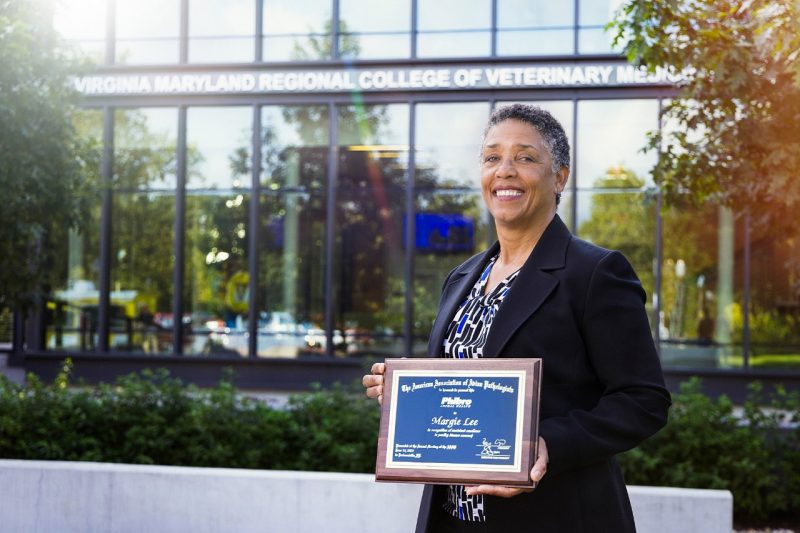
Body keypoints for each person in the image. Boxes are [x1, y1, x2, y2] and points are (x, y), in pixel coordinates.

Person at [363, 104, 671, 532]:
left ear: (559, 177)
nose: (504, 170)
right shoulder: (462, 277)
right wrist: (406, 396)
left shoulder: (595, 273)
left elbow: (643, 400)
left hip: (554, 518)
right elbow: (463, 391)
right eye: (492, 157)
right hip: (452, 519)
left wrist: (548, 444)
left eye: (525, 157)